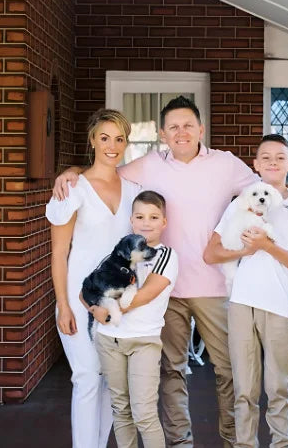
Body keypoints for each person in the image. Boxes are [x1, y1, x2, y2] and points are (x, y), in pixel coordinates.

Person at [53, 97, 288, 447]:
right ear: (162, 133)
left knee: (228, 373)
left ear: (201, 129)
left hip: (214, 289)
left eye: (188, 125)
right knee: (170, 373)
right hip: (163, 290)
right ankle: (180, 442)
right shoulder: (147, 166)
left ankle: (230, 440)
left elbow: (268, 181)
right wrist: (70, 172)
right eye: (173, 127)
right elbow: (103, 171)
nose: (181, 132)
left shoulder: (225, 164)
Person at [204, 134, 288, 448]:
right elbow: (211, 254)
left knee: (279, 389)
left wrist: (267, 246)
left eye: (280, 157)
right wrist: (245, 250)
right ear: (255, 164)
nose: (272, 162)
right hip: (242, 304)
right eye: (265, 157)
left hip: (281, 307)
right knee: (244, 390)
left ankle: (281, 444)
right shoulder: (240, 203)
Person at [46, 109, 141, 448]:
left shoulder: (134, 190)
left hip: (116, 301)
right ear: (92, 141)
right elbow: (59, 253)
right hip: (78, 297)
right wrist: (62, 306)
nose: (112, 146)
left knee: (109, 381)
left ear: (126, 143)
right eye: (104, 138)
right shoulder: (73, 189)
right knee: (87, 376)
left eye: (119, 139)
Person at [85, 191, 178, 448]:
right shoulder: (118, 253)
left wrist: (108, 308)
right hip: (109, 340)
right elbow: (88, 289)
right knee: (121, 410)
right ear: (132, 221)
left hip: (143, 341)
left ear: (163, 222)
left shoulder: (166, 256)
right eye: (140, 216)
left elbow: (145, 295)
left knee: (144, 413)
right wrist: (96, 309)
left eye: (153, 217)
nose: (146, 222)